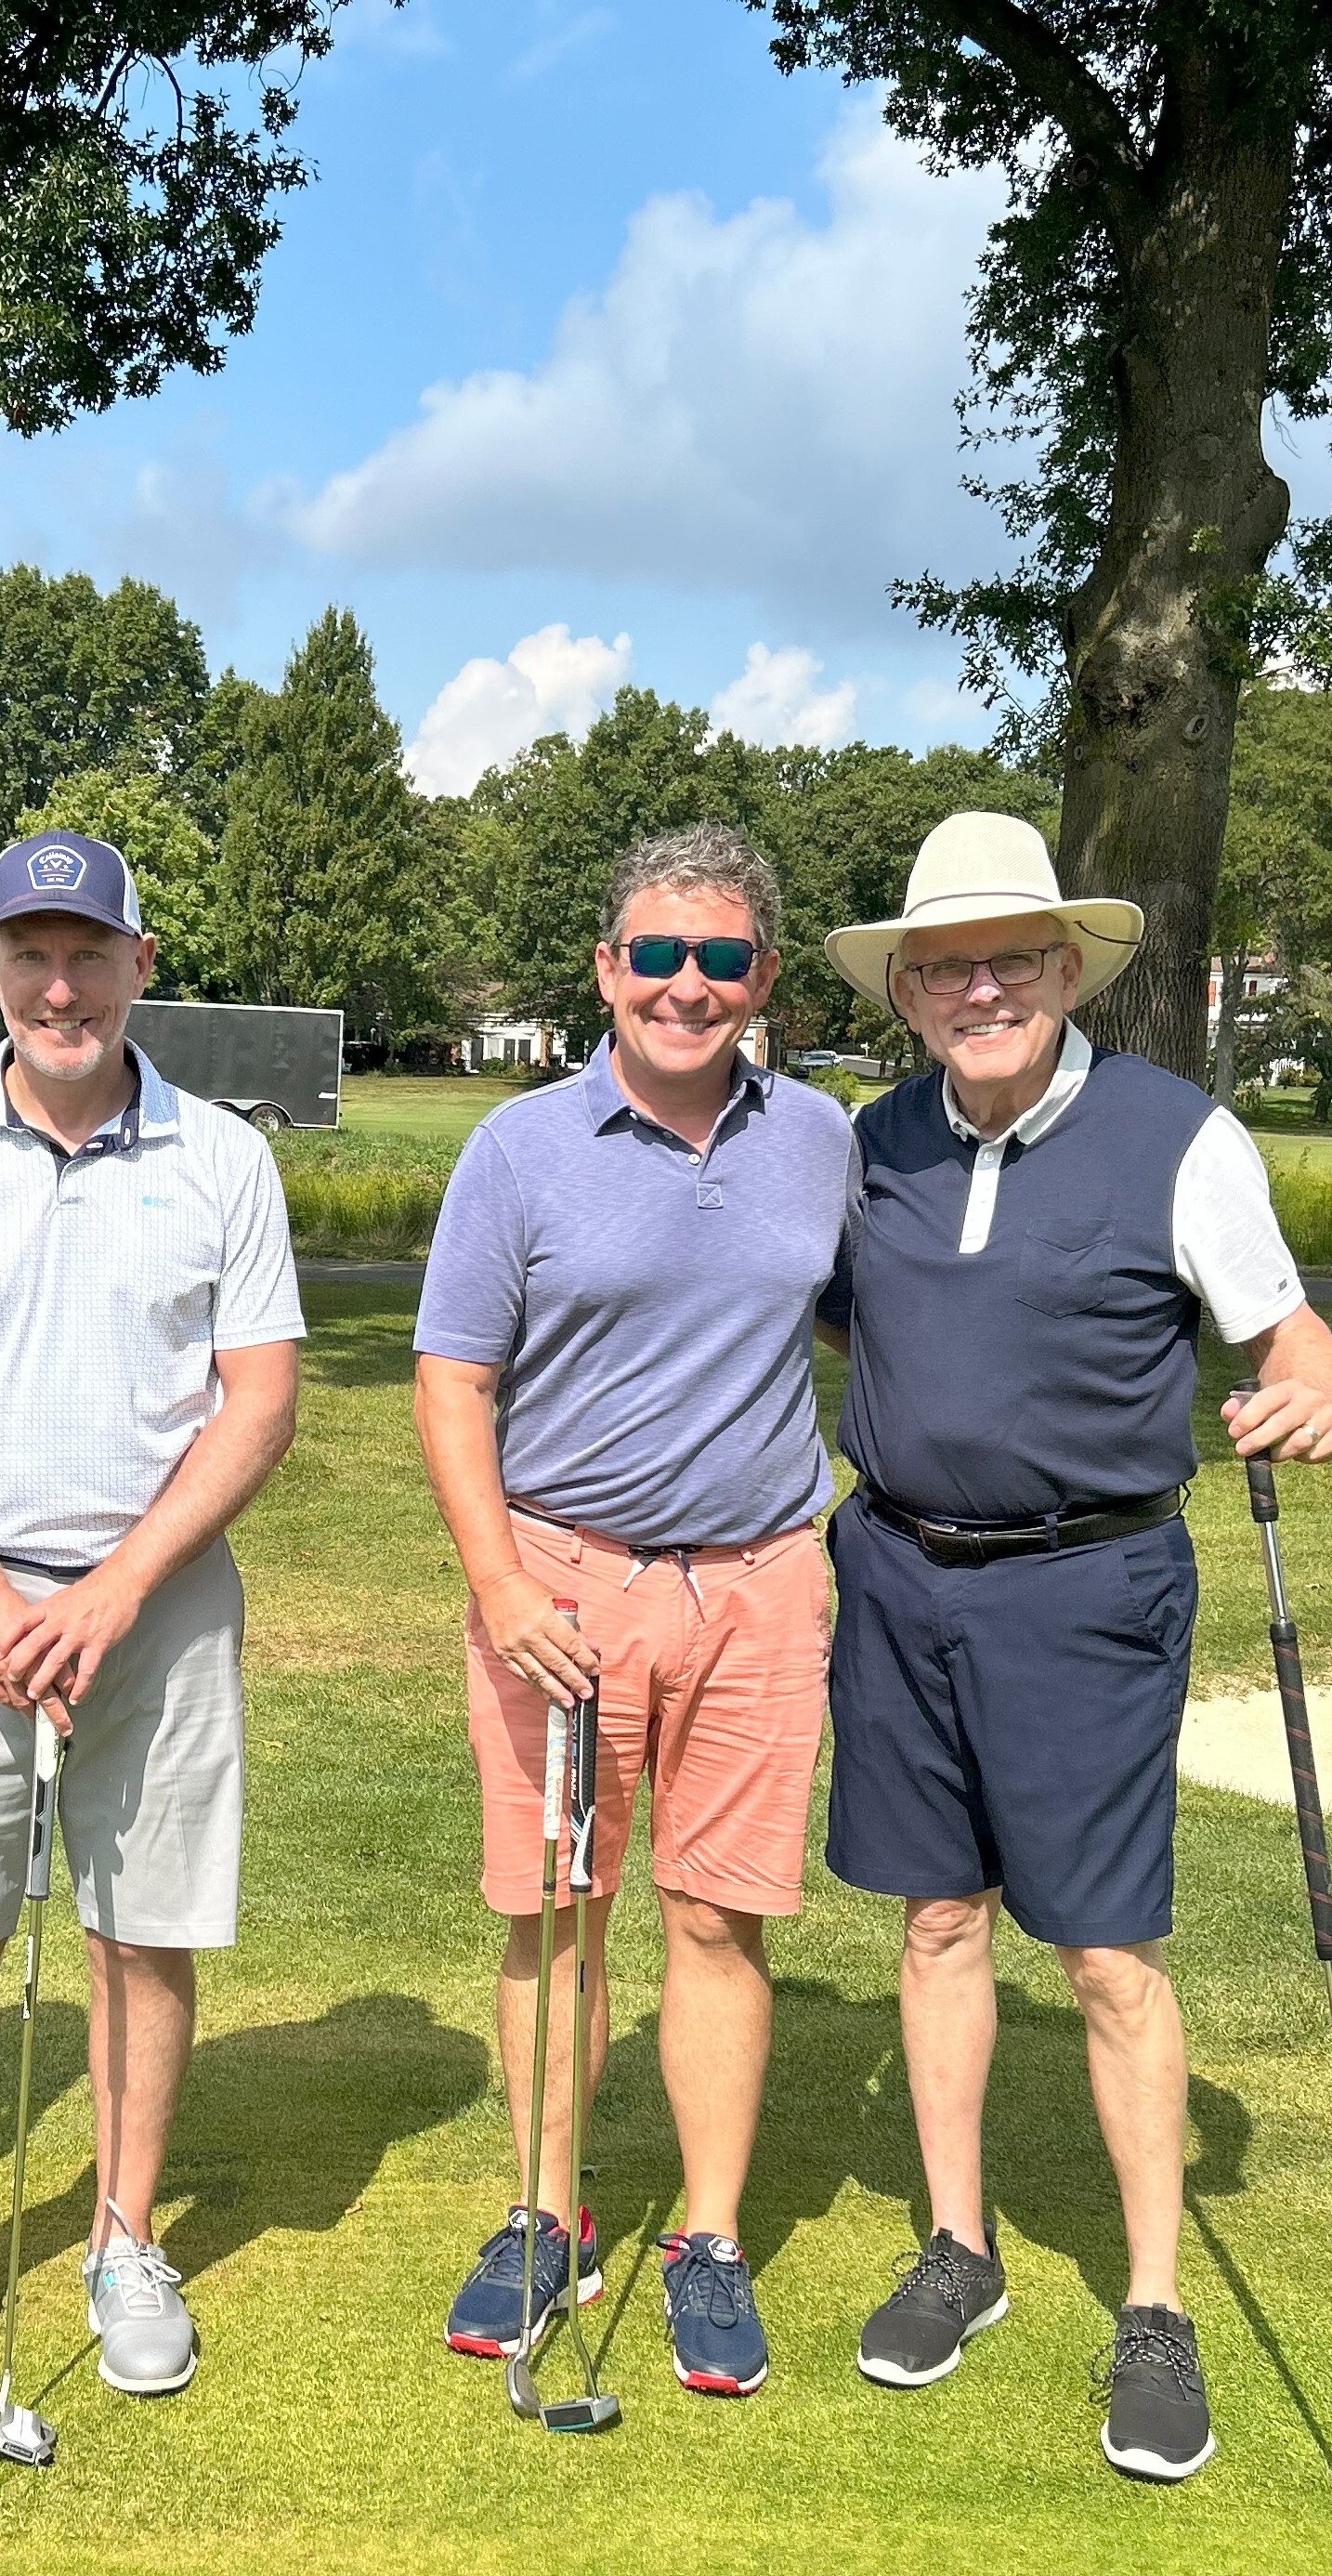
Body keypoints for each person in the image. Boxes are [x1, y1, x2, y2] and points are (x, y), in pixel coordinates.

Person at [818, 811, 1332, 2480]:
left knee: (1108, 1956)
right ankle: (958, 2249)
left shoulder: (1180, 1137)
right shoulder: (872, 1144)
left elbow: (1289, 1331)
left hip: (1088, 1589)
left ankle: (1154, 2307)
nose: (981, 991)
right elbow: (827, 1315)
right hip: (896, 1572)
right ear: (907, 994)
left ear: (1067, 971)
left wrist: (1310, 1389)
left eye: (1012, 961)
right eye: (946, 969)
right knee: (935, 1921)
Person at [0, 829, 304, 2408]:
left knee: (140, 1925)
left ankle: (122, 2234)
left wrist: (116, 1589)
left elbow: (259, 1401)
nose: (59, 987)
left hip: (158, 1597)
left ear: (138, 964)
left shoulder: (224, 1159)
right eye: (29, 954)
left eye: (88, 954)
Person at [411, 822, 849, 2399]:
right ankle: (547, 2215)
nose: (686, 984)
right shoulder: (518, 1147)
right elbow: (451, 1378)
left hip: (760, 1586)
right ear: (606, 970)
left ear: (763, 976)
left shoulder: (823, 1140)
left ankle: (709, 2238)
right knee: (557, 1912)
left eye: (720, 956)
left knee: (719, 1918)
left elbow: (887, 1317)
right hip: (564, 1590)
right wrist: (499, 1579)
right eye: (656, 953)